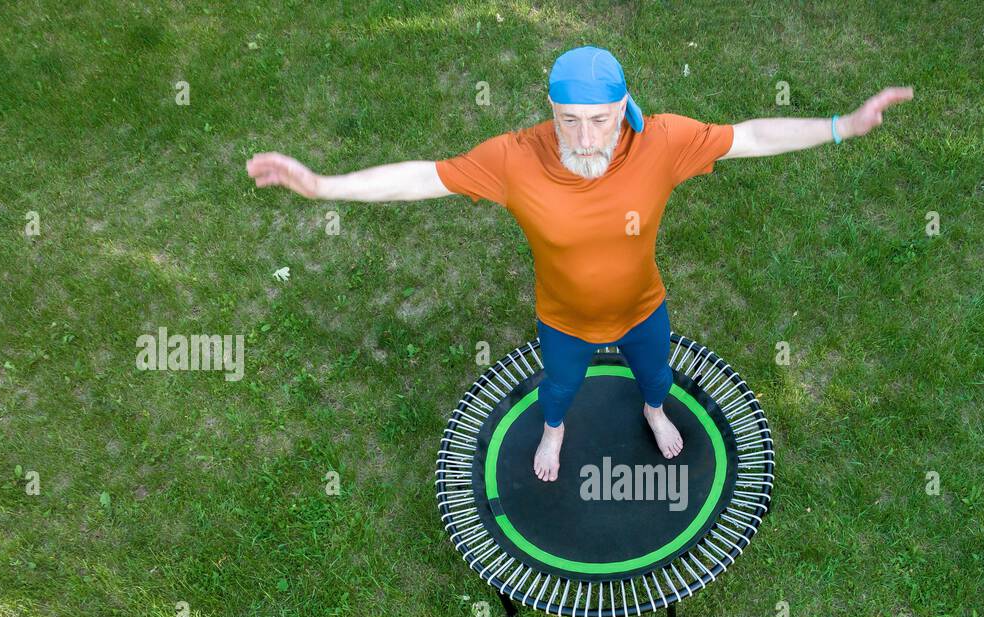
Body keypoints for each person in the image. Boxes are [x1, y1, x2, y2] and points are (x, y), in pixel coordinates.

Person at [247, 46, 912, 481]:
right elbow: (421, 177)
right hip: (562, 319)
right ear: (550, 113)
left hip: (644, 306)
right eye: (570, 121)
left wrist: (842, 126)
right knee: (557, 393)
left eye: (600, 120)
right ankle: (555, 435)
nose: (586, 138)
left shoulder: (664, 143)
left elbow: (752, 136)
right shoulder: (513, 159)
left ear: (624, 109)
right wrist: (323, 186)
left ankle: (652, 413)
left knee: (657, 378)